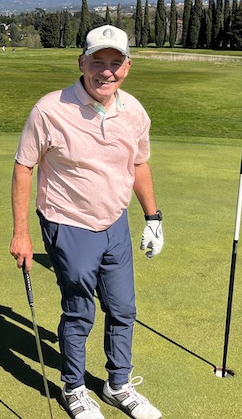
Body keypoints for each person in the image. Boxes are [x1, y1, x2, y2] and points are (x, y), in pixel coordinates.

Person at [10, 25, 164, 419]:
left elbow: (139, 164)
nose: (106, 71)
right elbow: (24, 166)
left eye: (115, 63)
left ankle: (118, 384)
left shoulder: (134, 111)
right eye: (98, 62)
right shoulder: (50, 109)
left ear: (127, 67)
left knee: (123, 308)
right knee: (79, 311)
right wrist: (21, 233)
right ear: (81, 63)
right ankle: (74, 388)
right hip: (68, 223)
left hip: (115, 223)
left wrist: (152, 217)